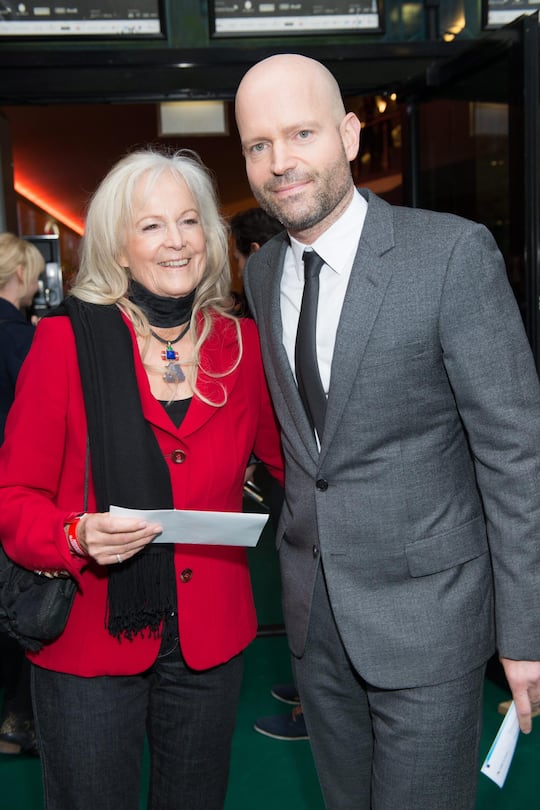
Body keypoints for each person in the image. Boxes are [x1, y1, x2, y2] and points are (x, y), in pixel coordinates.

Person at [235, 53, 540, 809]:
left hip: (431, 619)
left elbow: (515, 454)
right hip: (313, 617)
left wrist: (526, 632)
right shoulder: (264, 273)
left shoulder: (450, 255)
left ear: (347, 133)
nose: (280, 163)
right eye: (257, 145)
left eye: (300, 133)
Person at [0, 148, 283, 809]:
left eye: (189, 221)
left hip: (211, 638)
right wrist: (75, 536)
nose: (176, 240)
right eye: (152, 225)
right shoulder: (64, 343)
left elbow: (295, 469)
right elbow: (15, 499)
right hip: (87, 638)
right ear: (119, 248)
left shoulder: (240, 350)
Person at [229, 207, 307, 740]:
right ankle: (309, 694)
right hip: (284, 467)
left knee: (308, 591)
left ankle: (312, 710)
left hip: (296, 471)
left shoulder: (271, 311)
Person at [0, 232, 44, 756]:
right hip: (12, 486)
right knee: (19, 603)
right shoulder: (22, 339)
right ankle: (20, 719)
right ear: (17, 276)